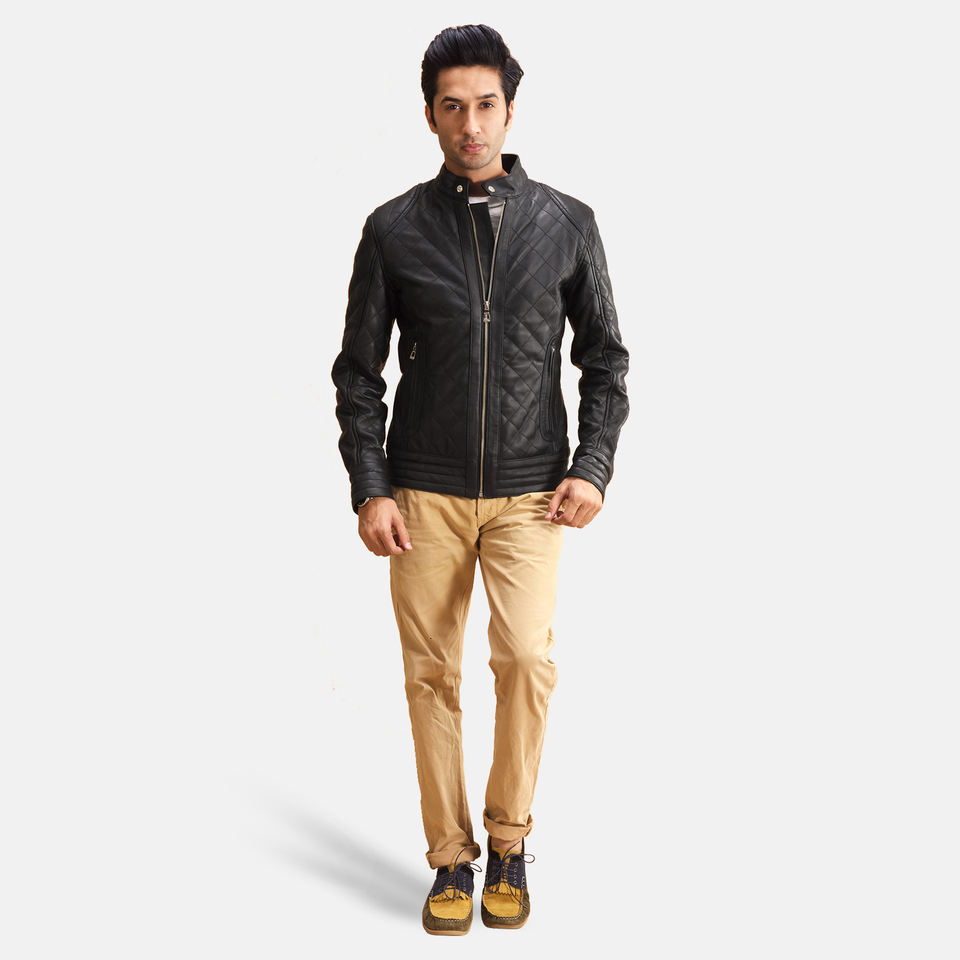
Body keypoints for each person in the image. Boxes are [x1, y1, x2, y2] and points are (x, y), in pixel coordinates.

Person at [331, 24, 630, 935]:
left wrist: (592, 467)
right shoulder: (393, 229)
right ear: (429, 116)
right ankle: (450, 859)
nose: (471, 124)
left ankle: (509, 839)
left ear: (509, 108)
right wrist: (371, 486)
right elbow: (358, 374)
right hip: (420, 493)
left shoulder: (567, 223)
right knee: (431, 676)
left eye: (486, 104)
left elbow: (606, 362)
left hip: (532, 493)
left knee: (526, 661)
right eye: (452, 106)